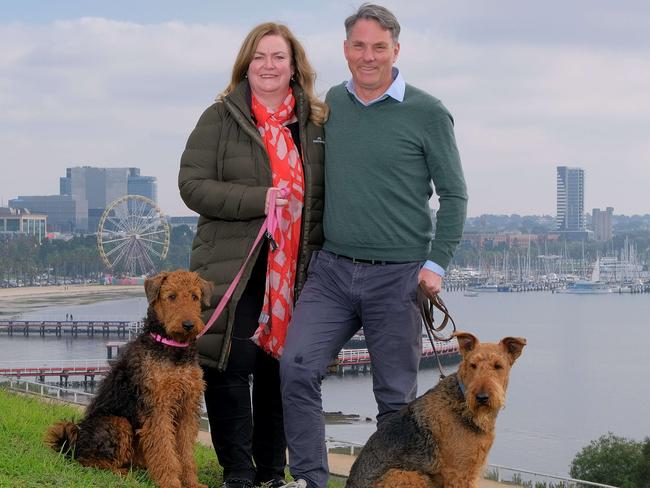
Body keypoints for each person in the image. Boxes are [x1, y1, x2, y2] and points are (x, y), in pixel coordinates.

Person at [279, 4, 468, 488]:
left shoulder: (428, 112)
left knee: (396, 402)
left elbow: (455, 195)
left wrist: (436, 265)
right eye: (359, 46)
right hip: (333, 270)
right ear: (345, 51)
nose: (368, 56)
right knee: (296, 368)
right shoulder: (328, 108)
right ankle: (309, 481)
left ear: (395, 50)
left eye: (378, 47)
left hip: (400, 276)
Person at [178, 22, 327, 488]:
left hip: (294, 269)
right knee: (227, 365)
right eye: (260, 57)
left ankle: (270, 476)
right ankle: (238, 475)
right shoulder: (219, 118)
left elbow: (328, 196)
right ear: (246, 64)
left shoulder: (317, 124)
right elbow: (191, 186)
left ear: (294, 66)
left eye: (278, 57)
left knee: (279, 370)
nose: (269, 66)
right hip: (232, 266)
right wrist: (258, 198)